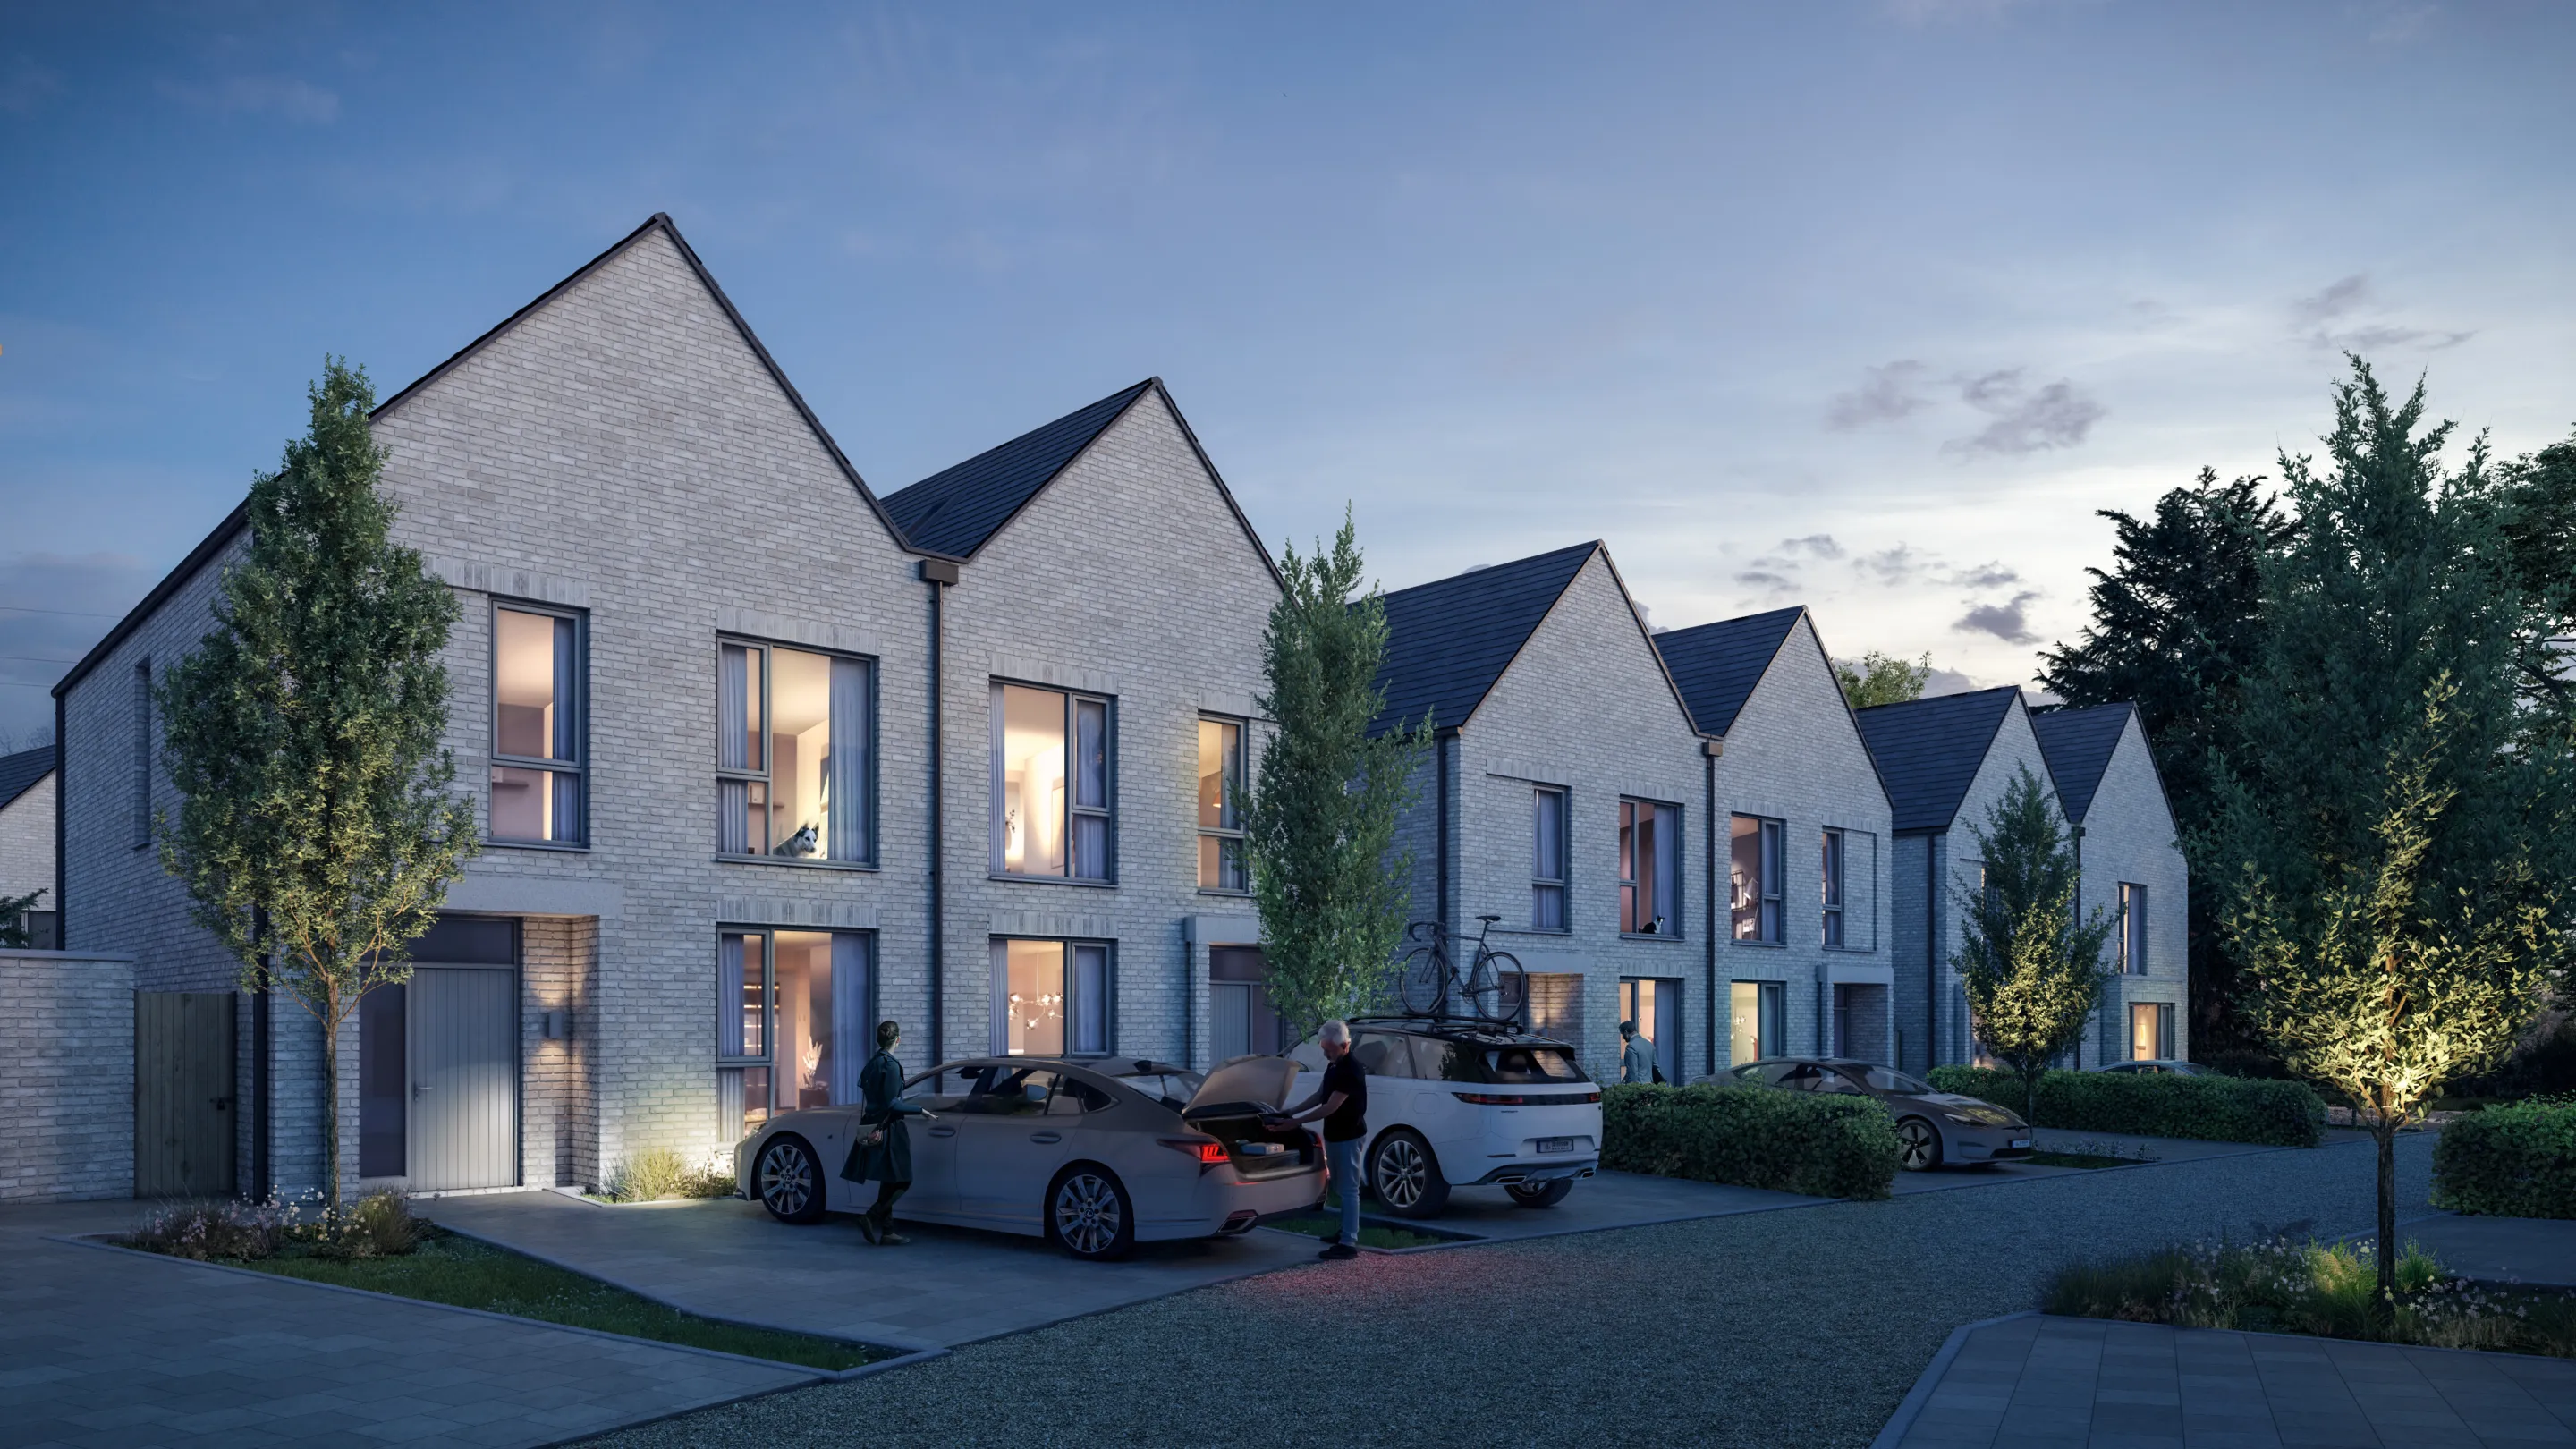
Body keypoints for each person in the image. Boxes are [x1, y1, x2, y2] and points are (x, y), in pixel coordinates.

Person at [840, 1019, 926, 1245]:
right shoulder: (890, 1065)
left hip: (874, 1124)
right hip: (890, 1128)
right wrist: (921, 1110)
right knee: (903, 1180)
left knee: (889, 1179)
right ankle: (871, 1216)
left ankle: (888, 1231)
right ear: (898, 1039)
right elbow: (892, 1104)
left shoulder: (874, 1062)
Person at [1289, 1019, 1367, 1261]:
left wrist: (1295, 1122)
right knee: (1340, 1188)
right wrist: (1290, 1112)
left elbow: (1329, 1107)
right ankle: (1344, 1231)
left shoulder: (1350, 1070)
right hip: (1335, 1134)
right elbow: (1320, 1095)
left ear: (1345, 1045)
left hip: (1349, 1136)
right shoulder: (1335, 1065)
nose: (1325, 1054)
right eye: (1323, 1049)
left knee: (1349, 1189)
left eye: (1329, 1050)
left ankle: (1349, 1242)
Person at [1621, 1019, 1659, 1086]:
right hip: (1650, 1085)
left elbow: (1632, 1073)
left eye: (1622, 1034)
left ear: (1626, 1032)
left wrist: (1629, 1089)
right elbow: (1656, 1067)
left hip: (1639, 1087)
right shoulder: (1649, 1044)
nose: (1623, 1037)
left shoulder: (1631, 1047)